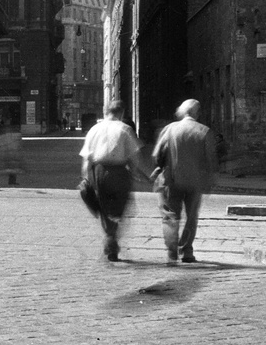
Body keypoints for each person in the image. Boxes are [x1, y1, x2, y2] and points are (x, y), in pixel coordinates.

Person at [152, 99, 219, 264]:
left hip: (172, 179)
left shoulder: (170, 129)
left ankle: (171, 251)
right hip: (195, 181)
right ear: (196, 113)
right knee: (191, 217)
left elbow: (157, 154)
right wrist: (210, 179)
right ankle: (187, 251)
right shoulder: (205, 131)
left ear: (183, 112)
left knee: (170, 216)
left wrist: (160, 167)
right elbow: (211, 159)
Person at [80, 100, 145, 262]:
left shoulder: (94, 130)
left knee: (103, 206)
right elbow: (134, 157)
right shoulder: (125, 129)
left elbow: (87, 159)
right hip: (119, 172)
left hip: (98, 171)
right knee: (118, 207)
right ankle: (111, 240)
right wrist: (135, 172)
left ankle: (110, 239)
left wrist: (86, 178)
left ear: (105, 111)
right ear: (121, 113)